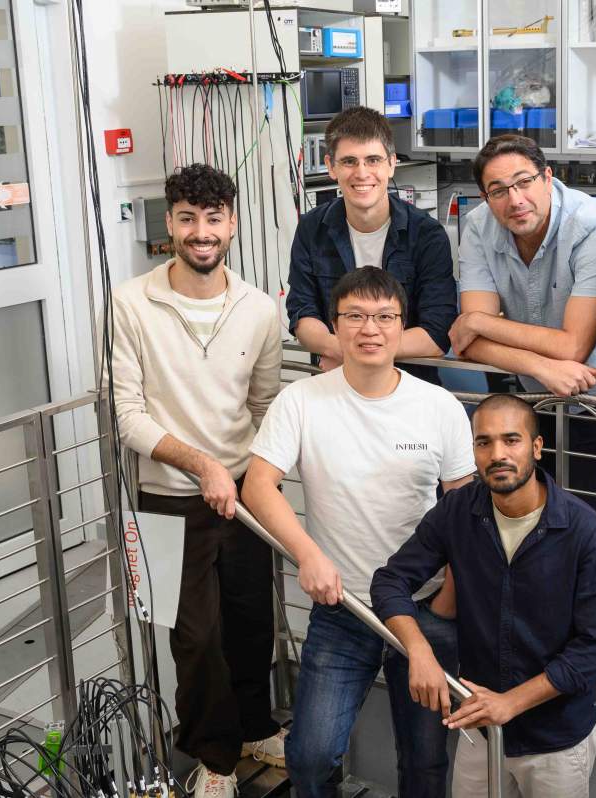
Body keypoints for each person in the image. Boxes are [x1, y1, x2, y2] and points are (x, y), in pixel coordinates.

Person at [241, 267, 475, 797]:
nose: (370, 328)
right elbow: (258, 487)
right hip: (343, 607)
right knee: (311, 754)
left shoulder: (438, 407)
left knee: (424, 761)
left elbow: (467, 515)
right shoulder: (301, 401)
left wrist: (448, 605)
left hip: (425, 606)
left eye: (384, 317)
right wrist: (307, 554)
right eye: (356, 316)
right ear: (335, 324)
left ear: (401, 325)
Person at [106, 164, 285, 798]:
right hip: (162, 497)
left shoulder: (260, 308)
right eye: (187, 218)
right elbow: (126, 414)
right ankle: (214, 757)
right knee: (192, 636)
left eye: (213, 219)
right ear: (170, 224)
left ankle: (256, 726)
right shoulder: (131, 302)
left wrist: (260, 477)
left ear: (231, 224)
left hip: (245, 495)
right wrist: (202, 464)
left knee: (249, 621)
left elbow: (266, 406)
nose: (200, 232)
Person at [371, 394, 596, 797]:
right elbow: (389, 580)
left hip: (556, 740)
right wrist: (419, 650)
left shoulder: (584, 530)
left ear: (537, 447)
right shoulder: (458, 511)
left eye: (511, 440)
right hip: (482, 730)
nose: (497, 453)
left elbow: (594, 649)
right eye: (483, 442)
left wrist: (511, 703)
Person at [452, 136, 596, 658]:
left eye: (524, 182)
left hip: (595, 397)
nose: (513, 199)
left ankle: (595, 650)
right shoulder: (480, 225)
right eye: (497, 190)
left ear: (548, 178)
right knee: (524, 516)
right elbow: (469, 346)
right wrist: (537, 366)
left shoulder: (595, 227)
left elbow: (576, 345)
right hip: (531, 393)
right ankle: (531, 641)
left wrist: (484, 321)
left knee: (588, 524)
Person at [287, 105, 457, 383]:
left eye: (373, 160)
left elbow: (436, 334)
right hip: (335, 384)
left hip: (409, 387)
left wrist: (355, 352)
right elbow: (302, 315)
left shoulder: (427, 235)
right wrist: (341, 349)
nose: (362, 173)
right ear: (331, 166)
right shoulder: (311, 229)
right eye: (349, 161)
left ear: (392, 163)